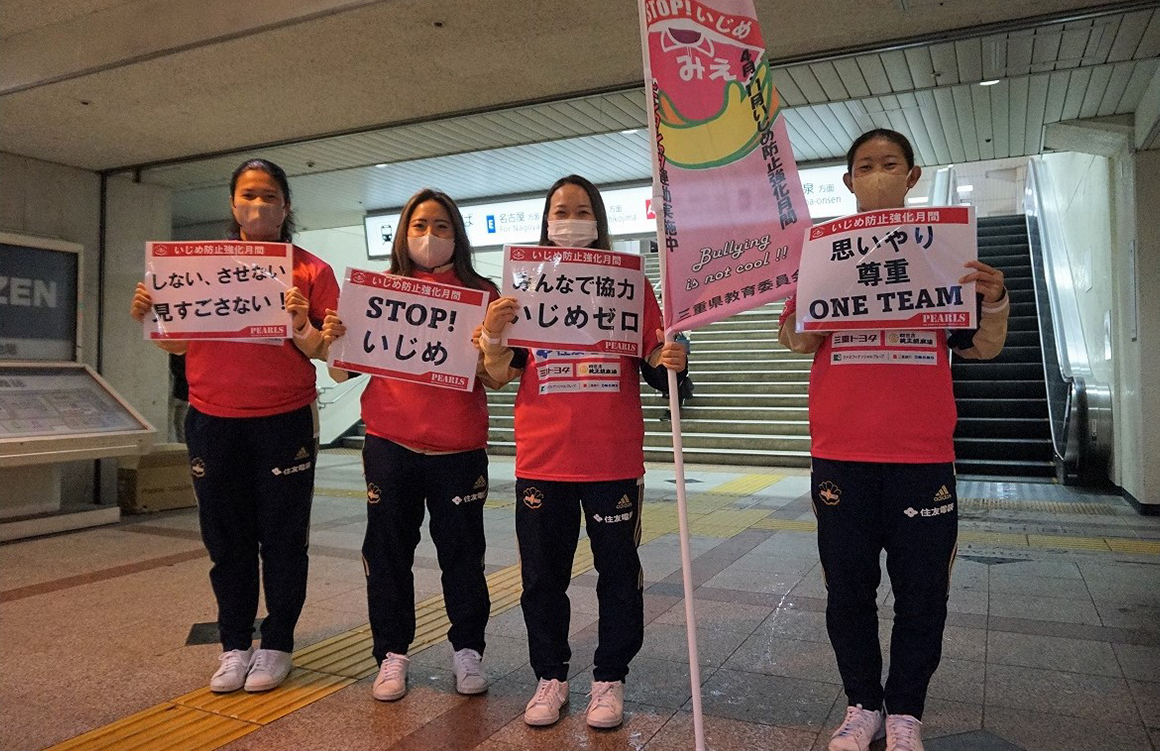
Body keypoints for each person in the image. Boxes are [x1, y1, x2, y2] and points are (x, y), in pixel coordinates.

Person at [778, 129, 1009, 751]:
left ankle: (906, 710)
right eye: (864, 166)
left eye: (890, 164)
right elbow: (798, 342)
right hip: (841, 453)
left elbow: (983, 346)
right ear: (848, 181)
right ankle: (862, 705)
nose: (877, 173)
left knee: (921, 593)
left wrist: (994, 300)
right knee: (848, 590)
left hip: (920, 455)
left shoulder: (944, 255)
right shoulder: (823, 254)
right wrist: (797, 302)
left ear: (913, 176)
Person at [477, 175, 687, 729]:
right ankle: (550, 676)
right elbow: (499, 375)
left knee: (618, 573)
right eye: (560, 209)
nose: (570, 217)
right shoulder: (524, 287)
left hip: (612, 458)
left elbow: (654, 365)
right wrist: (495, 336)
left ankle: (609, 678)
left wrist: (671, 358)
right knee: (542, 577)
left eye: (581, 209)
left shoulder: (627, 284)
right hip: (543, 459)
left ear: (598, 219)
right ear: (546, 221)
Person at [130, 158, 338, 694]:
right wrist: (153, 316)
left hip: (284, 421)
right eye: (249, 195)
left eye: (270, 195)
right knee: (226, 539)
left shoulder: (310, 270)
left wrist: (301, 325)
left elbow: (325, 350)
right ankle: (233, 645)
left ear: (286, 205)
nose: (259, 205)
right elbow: (177, 342)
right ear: (232, 204)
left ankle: (278, 644)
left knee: (284, 539)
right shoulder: (198, 267)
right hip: (213, 420)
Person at [320, 189, 500, 702]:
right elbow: (340, 368)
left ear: (457, 235)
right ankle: (392, 654)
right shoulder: (380, 291)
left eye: (441, 227)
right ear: (402, 233)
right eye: (419, 226)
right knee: (388, 552)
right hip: (390, 443)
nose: (429, 236)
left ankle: (468, 651)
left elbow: (496, 376)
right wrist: (336, 336)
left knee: (463, 557)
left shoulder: (480, 292)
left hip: (459, 449)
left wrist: (488, 348)